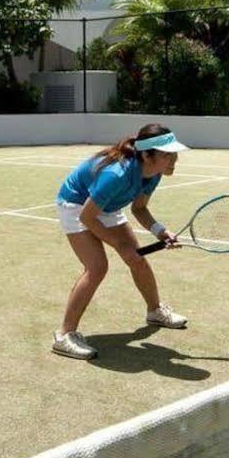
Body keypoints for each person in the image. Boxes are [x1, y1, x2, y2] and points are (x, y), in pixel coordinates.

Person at [51, 123, 189, 361]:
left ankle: (155, 311)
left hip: (105, 206)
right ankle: (64, 335)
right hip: (76, 205)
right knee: (97, 267)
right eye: (167, 154)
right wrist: (121, 245)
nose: (173, 159)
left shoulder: (153, 173)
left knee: (137, 260)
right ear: (147, 155)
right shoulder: (116, 174)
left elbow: (140, 208)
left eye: (174, 153)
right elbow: (86, 216)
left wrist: (160, 231)